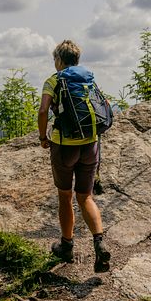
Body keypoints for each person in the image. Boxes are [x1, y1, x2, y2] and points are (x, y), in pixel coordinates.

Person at [38, 40, 111, 273]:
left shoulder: (54, 80)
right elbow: (105, 105)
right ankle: (99, 244)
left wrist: (42, 137)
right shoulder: (88, 79)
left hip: (64, 147)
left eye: (55, 59)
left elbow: (42, 111)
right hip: (90, 146)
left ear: (59, 59)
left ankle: (67, 246)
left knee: (65, 196)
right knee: (86, 197)